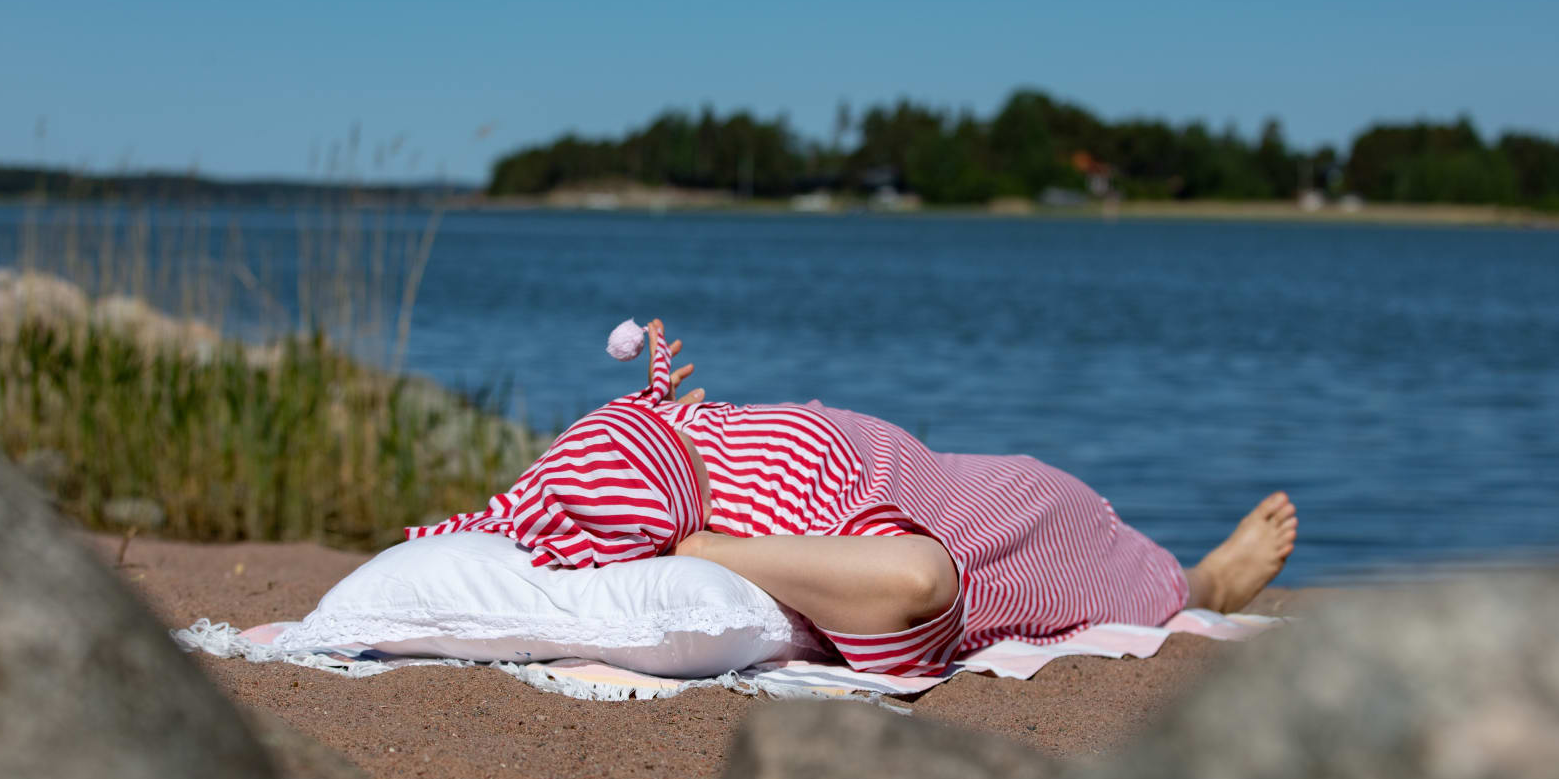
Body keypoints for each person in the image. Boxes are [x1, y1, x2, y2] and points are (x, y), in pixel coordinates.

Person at [409, 320, 1297, 676]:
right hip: (991, 530)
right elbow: (918, 582)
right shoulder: (754, 532)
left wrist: (682, 427)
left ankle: (1198, 582)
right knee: (1117, 585)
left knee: (1085, 527)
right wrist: (702, 549)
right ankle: (1207, 586)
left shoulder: (708, 457)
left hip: (986, 483)